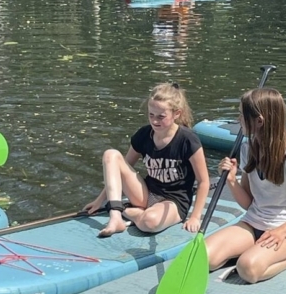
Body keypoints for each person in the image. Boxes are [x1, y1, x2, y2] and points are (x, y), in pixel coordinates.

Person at [204, 88, 286, 284]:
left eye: (242, 115)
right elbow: (248, 203)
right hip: (252, 223)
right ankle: (249, 252)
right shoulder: (247, 149)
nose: (238, 119)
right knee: (204, 258)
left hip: (284, 231)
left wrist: (282, 231)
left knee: (247, 270)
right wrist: (231, 180)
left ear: (259, 121)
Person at [84, 83, 210, 238]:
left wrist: (195, 216)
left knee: (149, 222)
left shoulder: (188, 140)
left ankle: (128, 211)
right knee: (111, 155)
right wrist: (99, 200)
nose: (155, 121)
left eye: (161, 117)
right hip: (146, 194)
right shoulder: (144, 134)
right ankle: (116, 217)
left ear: (177, 113)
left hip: (174, 201)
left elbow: (203, 181)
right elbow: (119, 170)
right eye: (151, 115)